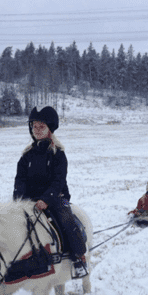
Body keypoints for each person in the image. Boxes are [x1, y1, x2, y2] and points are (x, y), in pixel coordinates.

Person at [13, 106, 88, 277]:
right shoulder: (26, 156)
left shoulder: (58, 154)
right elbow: (20, 181)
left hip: (58, 197)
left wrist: (47, 199)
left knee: (67, 220)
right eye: (34, 126)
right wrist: (19, 201)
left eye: (41, 126)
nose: (37, 130)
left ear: (50, 129)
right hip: (31, 200)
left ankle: (79, 258)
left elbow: (58, 181)